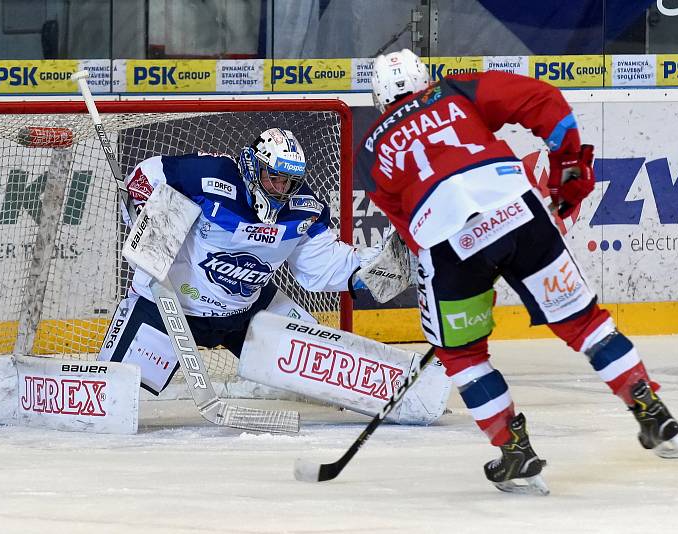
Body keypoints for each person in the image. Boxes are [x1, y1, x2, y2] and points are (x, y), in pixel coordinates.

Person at [357, 49, 678, 494]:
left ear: (379, 97)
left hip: (448, 240)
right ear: (424, 78)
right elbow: (541, 100)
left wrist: (471, 279)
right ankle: (648, 406)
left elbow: (410, 230)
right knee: (584, 322)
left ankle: (516, 452)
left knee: (462, 354)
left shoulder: (369, 149)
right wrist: (568, 159)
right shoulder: (454, 89)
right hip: (516, 208)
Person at [97, 127, 447, 423]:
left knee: (327, 364)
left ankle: (413, 392)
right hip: (168, 304)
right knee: (107, 399)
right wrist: (142, 203)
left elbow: (327, 267)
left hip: (248, 312)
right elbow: (148, 172)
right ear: (254, 165)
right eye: (274, 177)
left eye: (290, 181)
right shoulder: (208, 176)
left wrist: (381, 270)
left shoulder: (303, 209)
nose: (281, 188)